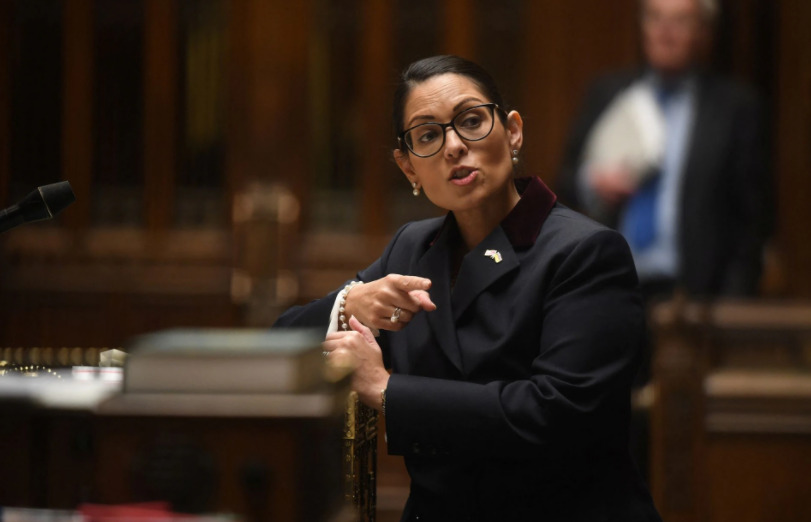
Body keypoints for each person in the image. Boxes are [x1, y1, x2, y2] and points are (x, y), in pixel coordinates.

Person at [274, 55, 661, 521]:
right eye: (428, 135)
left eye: (471, 121)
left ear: (512, 130)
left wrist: (387, 390)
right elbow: (282, 340)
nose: (454, 146)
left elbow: (558, 415)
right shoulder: (413, 249)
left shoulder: (586, 252)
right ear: (408, 168)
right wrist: (349, 301)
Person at [557, 0, 771, 302]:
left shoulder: (735, 108)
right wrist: (592, 181)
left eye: (680, 21)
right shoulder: (607, 92)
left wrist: (732, 302)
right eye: (655, 18)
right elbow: (564, 180)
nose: (664, 32)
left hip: (697, 300)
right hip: (609, 287)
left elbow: (753, 221)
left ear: (704, 32)